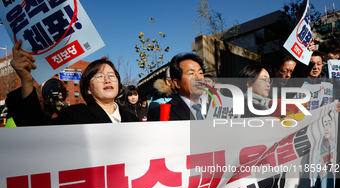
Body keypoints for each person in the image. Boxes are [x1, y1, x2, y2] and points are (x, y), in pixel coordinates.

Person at [6, 39, 139, 126]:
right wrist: (27, 81)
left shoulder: (133, 120)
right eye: (99, 76)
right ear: (88, 89)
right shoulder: (76, 116)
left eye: (111, 75)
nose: (107, 79)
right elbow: (35, 133)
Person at [147, 52, 205, 121]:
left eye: (200, 73)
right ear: (177, 83)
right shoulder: (161, 114)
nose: (198, 77)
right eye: (191, 73)